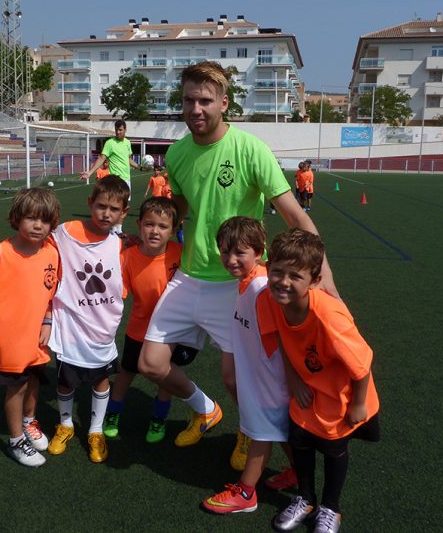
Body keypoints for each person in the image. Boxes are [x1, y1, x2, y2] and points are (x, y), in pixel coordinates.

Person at [138, 61, 338, 469]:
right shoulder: (176, 153)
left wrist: (325, 277)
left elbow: (295, 217)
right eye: (189, 100)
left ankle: (249, 433)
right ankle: (206, 409)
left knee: (237, 378)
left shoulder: (250, 149)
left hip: (239, 283)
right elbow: (178, 207)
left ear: (224, 103)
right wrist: (144, 231)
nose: (196, 108)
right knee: (150, 364)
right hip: (191, 276)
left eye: (205, 100)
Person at [266, 229, 380, 533]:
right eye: (277, 271)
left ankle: (331, 507)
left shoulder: (329, 316)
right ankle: (305, 497)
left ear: (314, 281)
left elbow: (363, 361)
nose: (283, 282)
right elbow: (281, 335)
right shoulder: (273, 299)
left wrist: (358, 404)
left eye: (295, 276)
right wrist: (294, 381)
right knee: (299, 440)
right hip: (307, 388)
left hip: (340, 395)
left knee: (332, 449)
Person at [201, 217, 296, 515]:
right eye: (225, 251)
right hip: (261, 378)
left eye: (239, 252)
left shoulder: (261, 288)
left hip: (269, 382)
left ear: (260, 252)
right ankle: (298, 474)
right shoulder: (248, 284)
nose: (230, 259)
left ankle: (246, 493)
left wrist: (292, 382)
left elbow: (283, 339)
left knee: (261, 433)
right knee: (278, 431)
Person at [46, 175, 130, 463]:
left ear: (124, 213)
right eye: (101, 206)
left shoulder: (120, 245)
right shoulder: (64, 233)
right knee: (65, 382)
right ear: (90, 203)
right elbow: (36, 247)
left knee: (101, 380)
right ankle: (66, 424)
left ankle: (95, 431)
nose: (106, 213)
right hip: (71, 326)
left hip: (102, 328)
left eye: (114, 209)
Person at [103, 197, 198, 443]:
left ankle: (158, 418)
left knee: (164, 375)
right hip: (139, 329)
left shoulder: (182, 253)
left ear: (174, 230)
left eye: (163, 226)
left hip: (172, 332)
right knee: (126, 372)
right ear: (139, 225)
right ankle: (113, 413)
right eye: (149, 224)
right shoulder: (127, 257)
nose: (155, 231)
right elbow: (116, 295)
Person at [0, 187, 61, 467]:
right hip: (9, 337)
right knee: (16, 386)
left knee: (35, 378)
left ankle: (29, 421)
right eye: (30, 218)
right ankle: (15, 440)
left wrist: (48, 321)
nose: (38, 225)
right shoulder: (0, 253)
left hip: (37, 334)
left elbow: (50, 293)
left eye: (45, 220)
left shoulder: (51, 252)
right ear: (16, 218)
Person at [80, 120, 138, 234]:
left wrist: (139, 166)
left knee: (123, 205)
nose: (118, 132)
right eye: (116, 130)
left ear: (125, 130)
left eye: (120, 130)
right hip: (116, 179)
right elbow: (101, 158)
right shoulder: (110, 143)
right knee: (115, 204)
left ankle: (118, 230)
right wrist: (90, 172)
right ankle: (112, 230)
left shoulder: (127, 143)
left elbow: (128, 159)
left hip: (127, 179)